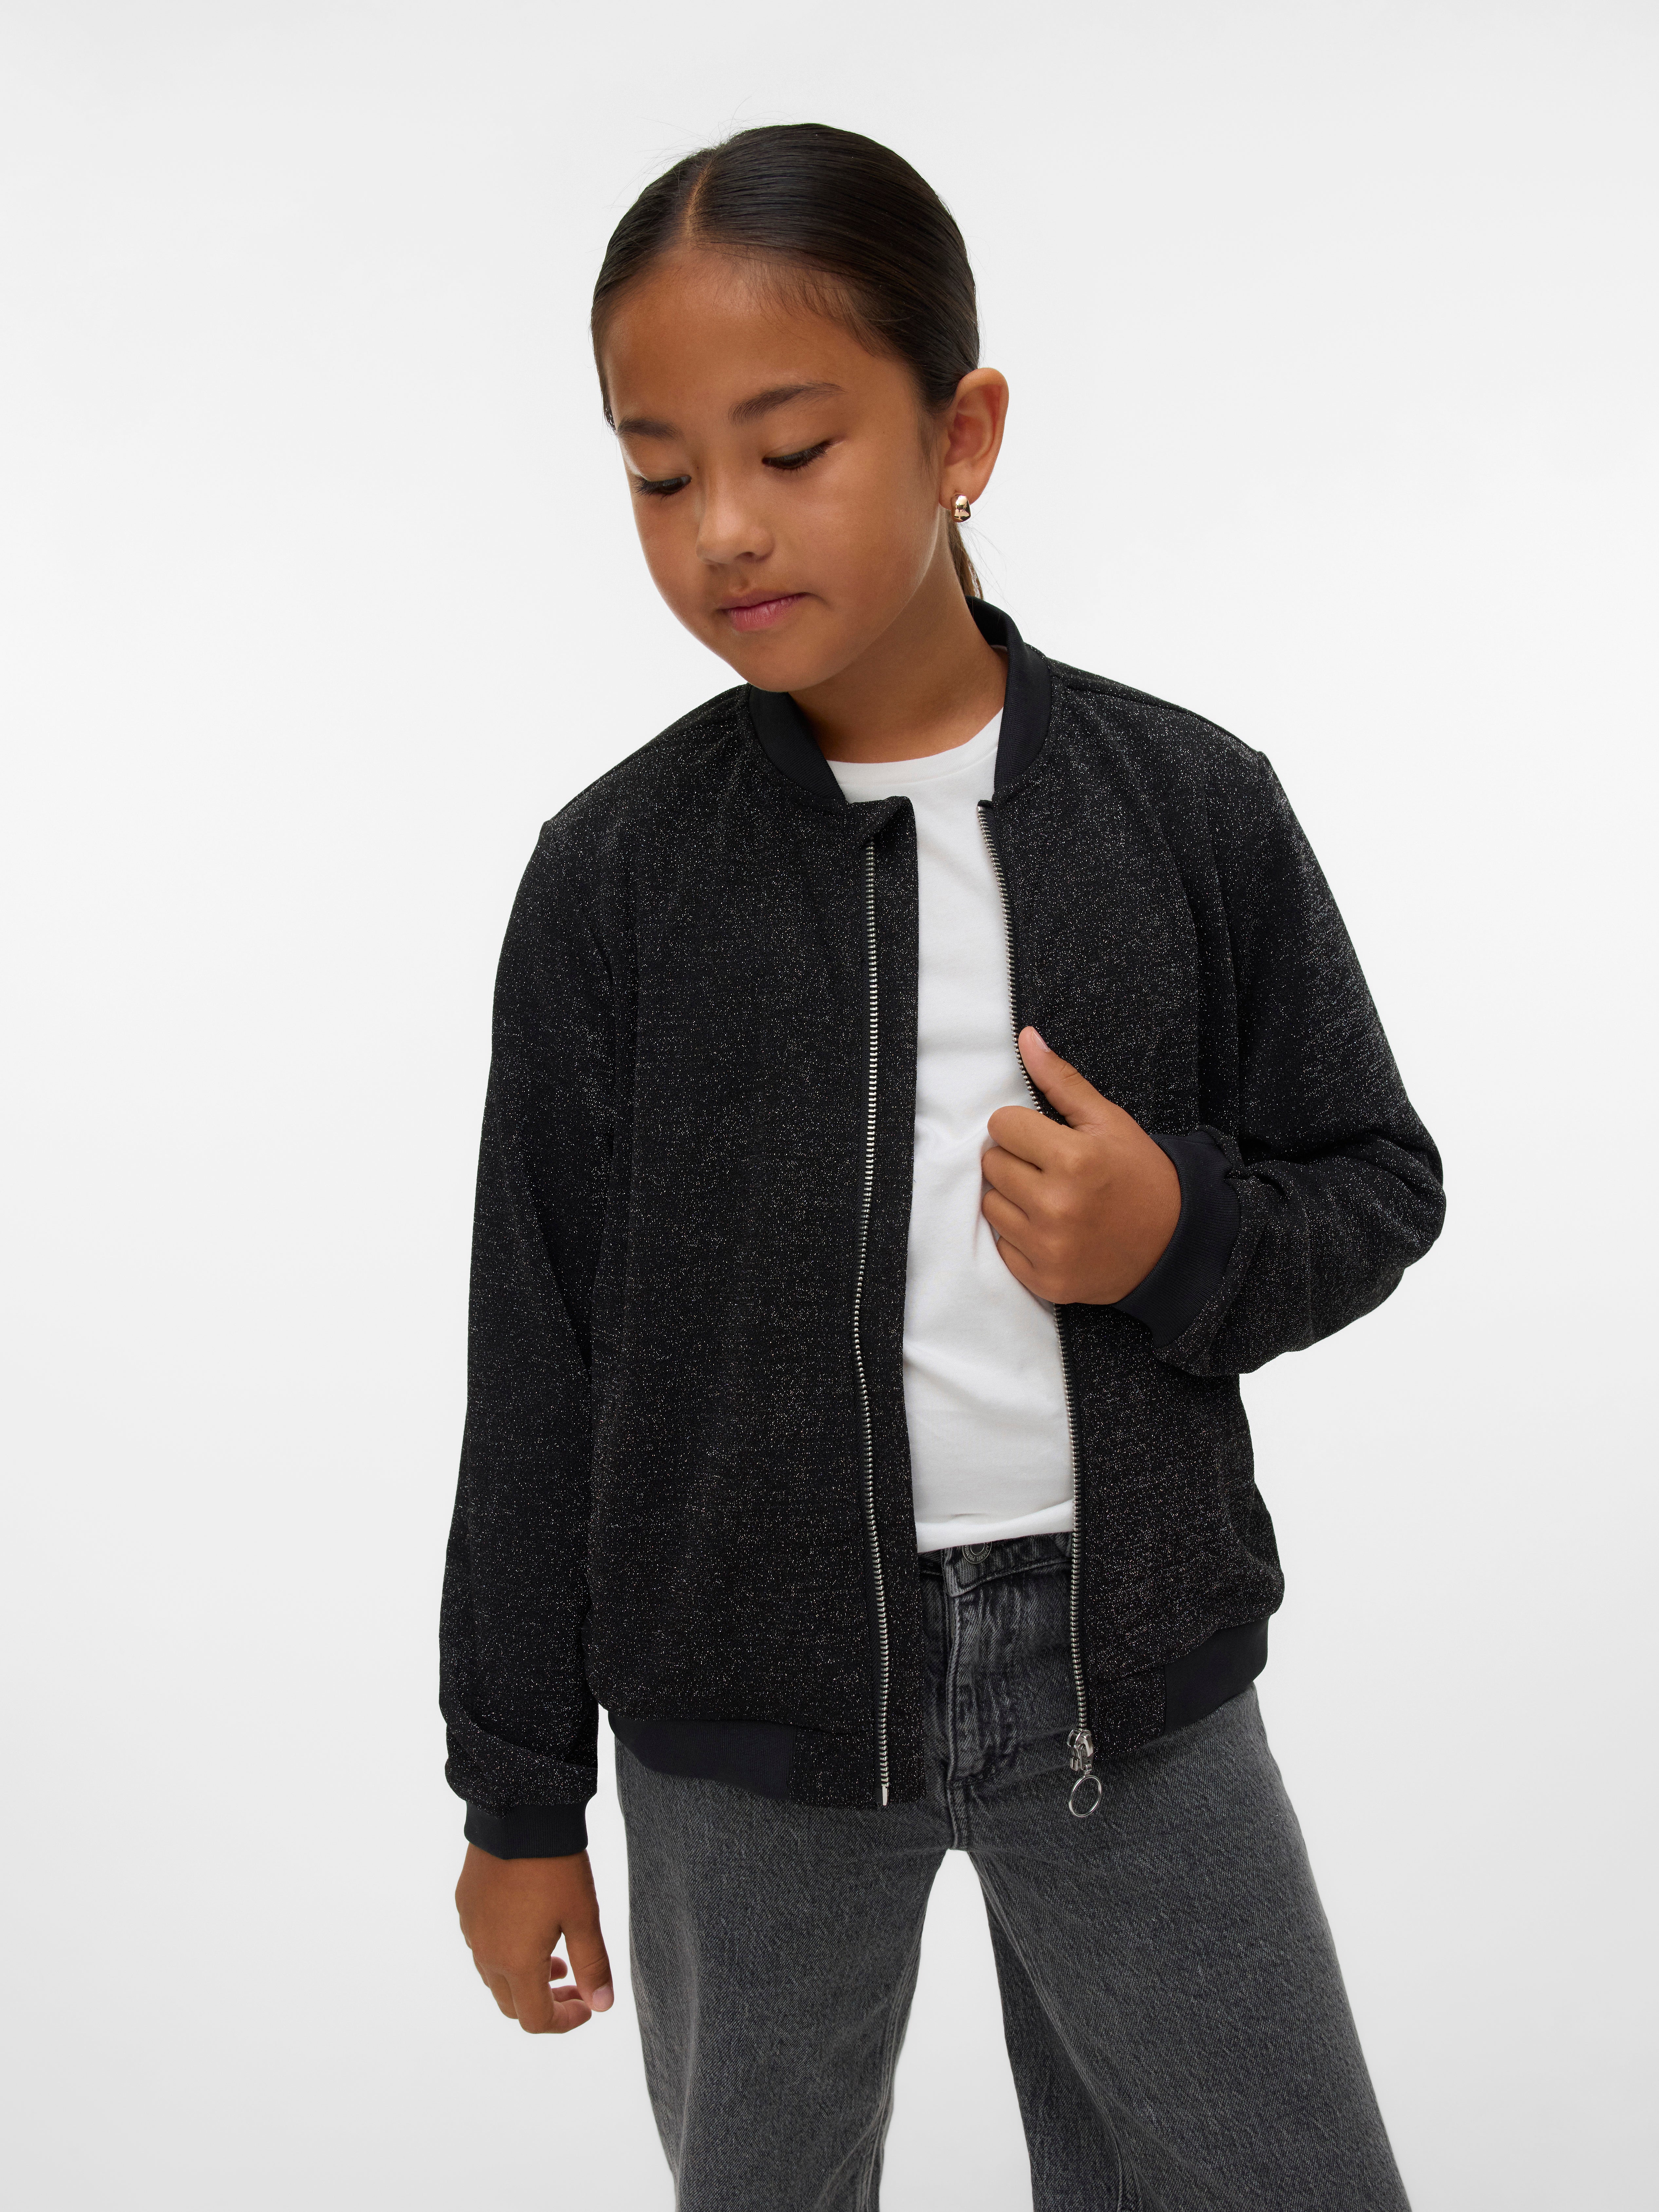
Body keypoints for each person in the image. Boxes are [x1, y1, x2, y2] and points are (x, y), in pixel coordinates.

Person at [440, 122, 1444, 2212]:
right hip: (740, 1714)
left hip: (1129, 1685)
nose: (724, 527)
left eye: (793, 449)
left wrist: (1181, 1233)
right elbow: (537, 1357)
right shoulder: (615, 880)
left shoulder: (1187, 808)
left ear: (960, 433)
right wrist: (518, 1792)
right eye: (657, 473)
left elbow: (1376, 1176)